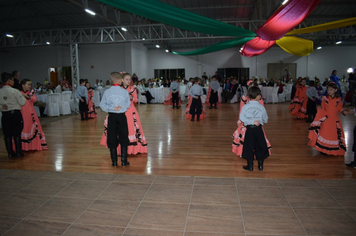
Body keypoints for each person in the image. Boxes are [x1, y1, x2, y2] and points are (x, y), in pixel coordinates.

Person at [100, 72, 147, 156]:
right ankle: (119, 151)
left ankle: (133, 149)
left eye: (129, 79)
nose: (128, 81)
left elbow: (136, 100)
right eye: (126, 79)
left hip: (130, 110)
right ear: (122, 80)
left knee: (131, 129)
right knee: (119, 131)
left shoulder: (132, 88)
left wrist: (131, 97)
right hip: (119, 112)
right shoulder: (119, 89)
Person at [232, 81, 271, 159]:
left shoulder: (260, 100)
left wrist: (259, 121)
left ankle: (256, 155)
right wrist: (240, 120)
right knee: (245, 137)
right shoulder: (244, 98)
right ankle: (243, 153)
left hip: (256, 123)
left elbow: (262, 112)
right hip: (246, 121)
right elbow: (241, 110)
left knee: (257, 139)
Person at [99, 72, 130, 167]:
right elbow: (128, 105)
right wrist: (120, 107)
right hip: (121, 116)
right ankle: (124, 161)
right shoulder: (124, 92)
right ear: (119, 80)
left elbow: (102, 105)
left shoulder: (107, 92)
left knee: (112, 137)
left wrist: (112, 108)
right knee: (123, 136)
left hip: (112, 116)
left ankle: (114, 162)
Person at [308, 83, 348, 156]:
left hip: (334, 120)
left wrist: (343, 111)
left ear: (336, 90)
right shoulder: (325, 98)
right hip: (326, 119)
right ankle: (323, 148)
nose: (329, 91)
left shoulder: (338, 100)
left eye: (331, 90)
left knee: (333, 134)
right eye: (328, 89)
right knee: (325, 133)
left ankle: (332, 149)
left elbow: (339, 108)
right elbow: (323, 107)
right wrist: (320, 112)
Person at [239, 86, 269, 171]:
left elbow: (242, 118)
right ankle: (260, 165)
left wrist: (251, 121)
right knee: (260, 146)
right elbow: (265, 119)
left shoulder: (245, 107)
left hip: (250, 130)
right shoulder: (261, 107)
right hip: (258, 129)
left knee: (249, 146)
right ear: (258, 96)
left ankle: (250, 165)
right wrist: (259, 120)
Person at [0, 72, 26, 158]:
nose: (13, 81)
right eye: (12, 80)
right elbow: (22, 102)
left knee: (7, 134)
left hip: (5, 114)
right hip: (15, 114)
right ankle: (18, 152)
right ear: (9, 80)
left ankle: (10, 153)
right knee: (16, 133)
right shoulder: (15, 91)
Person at [19, 79, 47, 151]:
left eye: (30, 85)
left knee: (34, 127)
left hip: (31, 112)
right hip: (22, 112)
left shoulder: (31, 92)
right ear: (23, 85)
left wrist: (27, 96)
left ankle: (34, 146)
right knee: (24, 127)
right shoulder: (19, 93)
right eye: (28, 84)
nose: (29, 86)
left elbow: (34, 100)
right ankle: (24, 147)